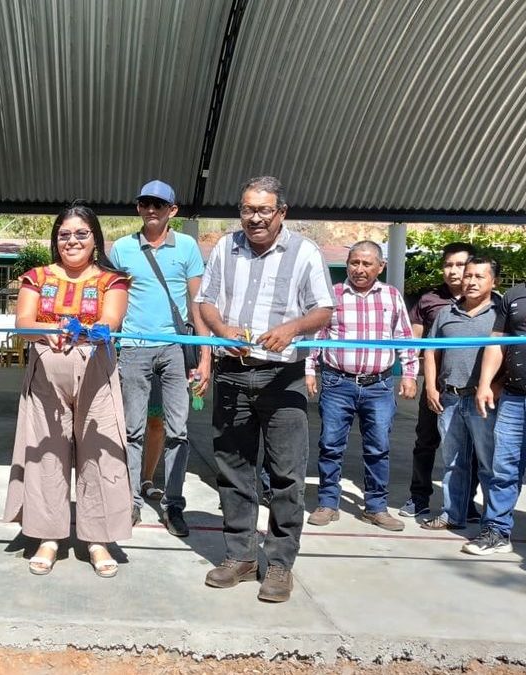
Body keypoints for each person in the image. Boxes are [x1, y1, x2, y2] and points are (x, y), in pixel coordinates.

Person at [197, 175, 333, 603]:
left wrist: (292, 328)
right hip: (233, 374)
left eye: (263, 210)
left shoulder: (305, 252)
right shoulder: (224, 247)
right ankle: (240, 556)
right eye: (247, 209)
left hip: (282, 378)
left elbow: (324, 309)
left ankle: (279, 563)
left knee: (286, 476)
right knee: (234, 471)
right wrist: (221, 329)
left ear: (281, 213)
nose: (254, 218)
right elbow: (206, 301)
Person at [4, 203, 132, 578]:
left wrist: (91, 330)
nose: (71, 241)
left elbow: (110, 319)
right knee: (46, 452)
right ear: (55, 239)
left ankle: (98, 539)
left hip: (96, 371)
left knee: (100, 451)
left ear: (95, 239)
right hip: (46, 371)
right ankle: (48, 536)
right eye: (64, 234)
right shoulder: (35, 277)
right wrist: (45, 331)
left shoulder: (113, 280)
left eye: (80, 234)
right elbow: (23, 322)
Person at [109, 179, 211, 538]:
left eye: (159, 204)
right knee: (133, 430)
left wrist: (205, 358)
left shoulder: (186, 247)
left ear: (173, 210)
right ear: (138, 208)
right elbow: (114, 304)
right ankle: (131, 502)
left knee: (178, 431)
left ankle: (173, 505)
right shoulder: (121, 248)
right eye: (144, 204)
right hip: (134, 348)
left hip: (175, 350)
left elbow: (199, 305)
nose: (151, 210)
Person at [305, 241, 418, 532]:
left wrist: (408, 374)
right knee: (330, 445)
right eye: (354, 262)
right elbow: (317, 335)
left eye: (367, 264)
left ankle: (376, 507)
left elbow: (404, 337)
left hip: (378, 386)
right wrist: (310, 370)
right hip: (337, 382)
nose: (359, 269)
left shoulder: (392, 296)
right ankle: (328, 503)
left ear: (380, 267)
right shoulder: (333, 295)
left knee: (378, 447)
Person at [399, 242, 479, 519]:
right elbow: (416, 344)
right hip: (436, 389)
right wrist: (423, 382)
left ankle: (465, 502)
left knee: (471, 451)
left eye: (460, 265)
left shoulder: (490, 301)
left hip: (473, 391)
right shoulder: (430, 299)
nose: (454, 271)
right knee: (426, 443)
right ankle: (418, 497)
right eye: (448, 264)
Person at [471, 249, 526, 555]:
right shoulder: (515, 295)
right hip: (514, 399)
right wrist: (486, 383)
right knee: (504, 468)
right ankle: (497, 531)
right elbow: (496, 342)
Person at [421, 257, 500, 531]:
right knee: (453, 462)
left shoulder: (500, 314)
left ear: (494, 282)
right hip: (451, 398)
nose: (471, 281)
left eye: (479, 276)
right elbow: (430, 352)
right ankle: (452, 514)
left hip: (483, 402)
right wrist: (431, 387)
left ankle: (495, 523)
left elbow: (508, 355)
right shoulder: (446, 313)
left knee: (489, 465)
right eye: (468, 276)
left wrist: (493, 388)